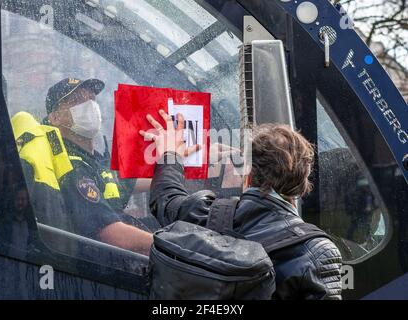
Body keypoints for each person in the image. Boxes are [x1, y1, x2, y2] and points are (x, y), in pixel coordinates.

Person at [141, 110, 343, 299]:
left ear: (247, 176)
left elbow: (166, 199)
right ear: (302, 186)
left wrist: (170, 155)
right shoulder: (317, 252)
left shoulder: (205, 214)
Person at [42, 77, 157, 255]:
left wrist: (183, 166)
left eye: (91, 99)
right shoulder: (71, 165)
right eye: (77, 100)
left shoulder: (91, 159)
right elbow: (112, 234)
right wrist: (174, 250)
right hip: (110, 264)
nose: (89, 106)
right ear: (55, 117)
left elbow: (130, 182)